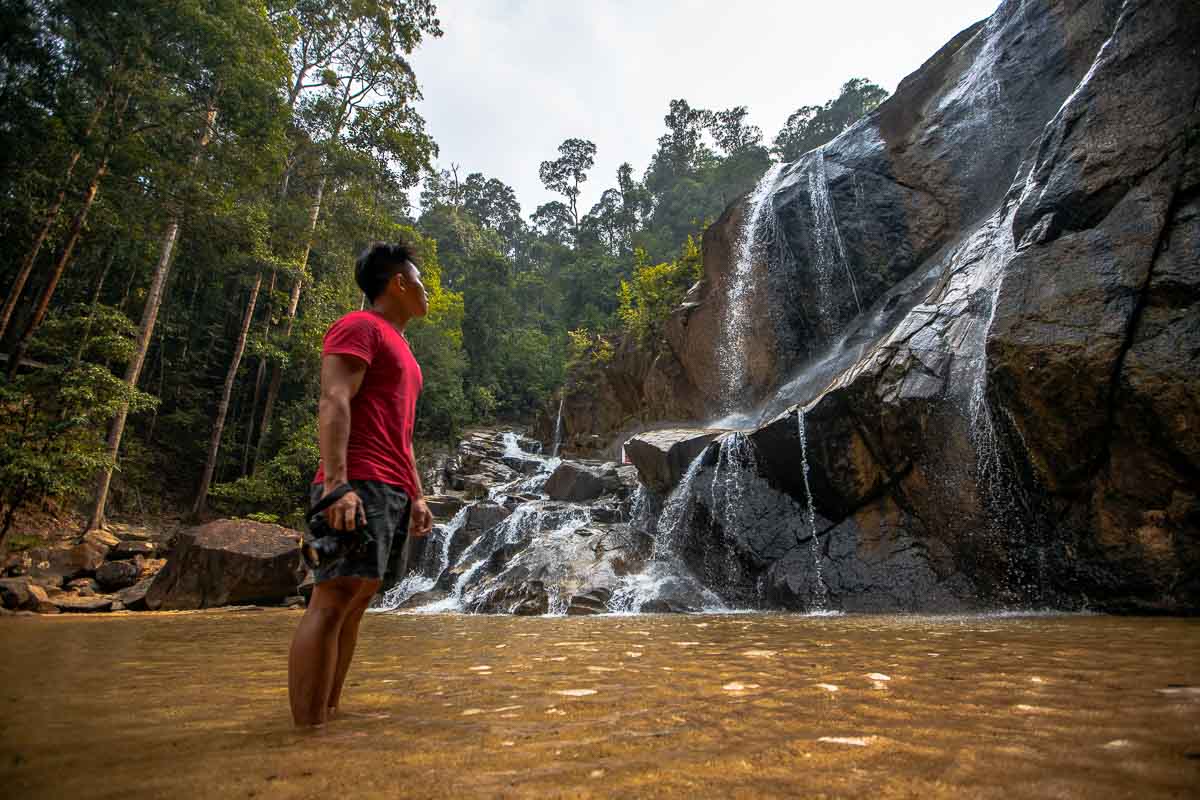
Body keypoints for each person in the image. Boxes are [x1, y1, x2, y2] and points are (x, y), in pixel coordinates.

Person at [287, 239, 434, 727]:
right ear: (398, 282)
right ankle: (306, 730)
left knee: (357, 599)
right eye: (419, 280)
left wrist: (416, 496)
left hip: (391, 487)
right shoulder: (360, 327)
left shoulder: (407, 354)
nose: (426, 289)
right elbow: (334, 399)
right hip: (359, 481)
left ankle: (326, 715)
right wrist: (335, 484)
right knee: (332, 598)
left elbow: (404, 435)